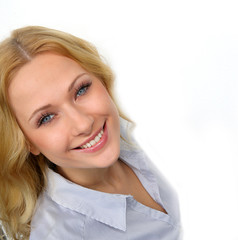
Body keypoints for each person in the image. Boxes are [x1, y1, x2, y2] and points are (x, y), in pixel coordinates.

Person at [0, 26, 182, 240]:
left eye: (81, 90)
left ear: (102, 80)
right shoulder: (61, 235)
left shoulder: (154, 129)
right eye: (46, 118)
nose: (84, 124)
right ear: (27, 143)